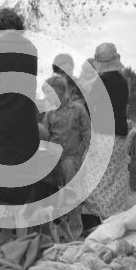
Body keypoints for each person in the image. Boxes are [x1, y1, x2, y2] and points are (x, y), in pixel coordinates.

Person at [0, 8, 40, 209]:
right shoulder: (31, 48)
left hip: (1, 120)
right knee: (23, 172)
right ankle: (22, 222)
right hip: (26, 120)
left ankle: (3, 225)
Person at [81, 42, 130, 227]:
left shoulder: (101, 82)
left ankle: (99, 221)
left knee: (96, 178)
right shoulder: (122, 81)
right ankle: (115, 220)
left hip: (103, 135)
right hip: (120, 136)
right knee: (115, 179)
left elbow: (88, 106)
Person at [41, 74, 90, 238]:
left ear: (61, 91)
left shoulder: (78, 109)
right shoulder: (49, 114)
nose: (47, 97)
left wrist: (83, 158)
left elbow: (87, 136)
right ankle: (56, 232)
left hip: (71, 159)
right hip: (53, 161)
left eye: (49, 93)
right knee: (52, 196)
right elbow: (45, 137)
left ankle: (75, 233)